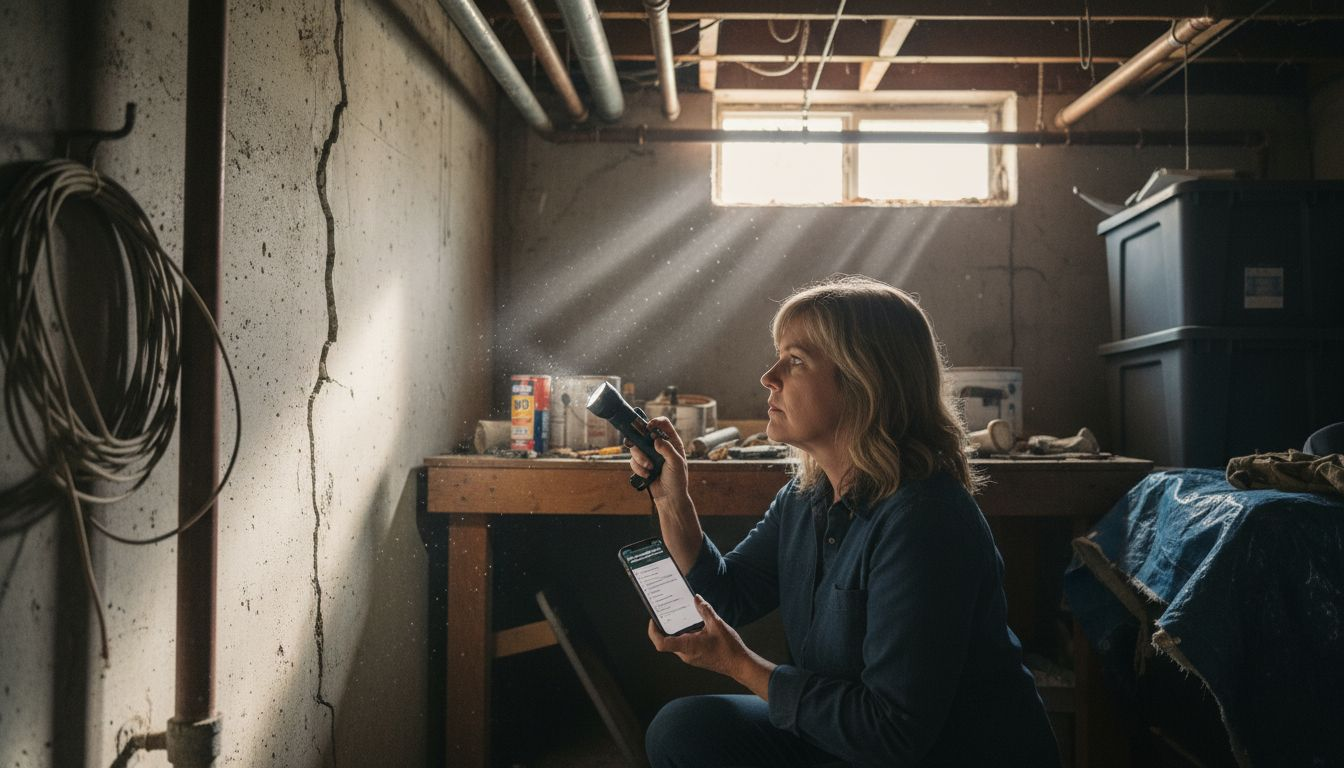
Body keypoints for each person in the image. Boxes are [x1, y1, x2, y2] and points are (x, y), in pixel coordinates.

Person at [628, 275, 1061, 768]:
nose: (769, 377)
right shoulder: (807, 494)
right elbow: (729, 592)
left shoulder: (924, 520)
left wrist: (739, 665)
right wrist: (673, 499)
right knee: (685, 731)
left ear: (863, 380)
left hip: (933, 752)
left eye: (794, 361)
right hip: (853, 738)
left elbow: (894, 732)